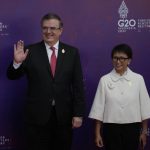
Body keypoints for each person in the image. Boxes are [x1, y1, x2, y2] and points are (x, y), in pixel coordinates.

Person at [7, 13, 85, 150]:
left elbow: (78, 85)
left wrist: (78, 113)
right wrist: (17, 62)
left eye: (53, 28)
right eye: (45, 28)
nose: (48, 32)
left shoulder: (72, 53)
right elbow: (12, 76)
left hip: (63, 117)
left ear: (61, 30)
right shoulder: (29, 51)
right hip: (36, 117)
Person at [89, 44, 150, 150]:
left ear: (129, 60)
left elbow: (145, 109)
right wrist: (97, 133)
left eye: (122, 58)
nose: (118, 61)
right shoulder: (105, 80)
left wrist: (144, 132)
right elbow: (98, 109)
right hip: (111, 128)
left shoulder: (138, 79)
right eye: (115, 58)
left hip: (132, 127)